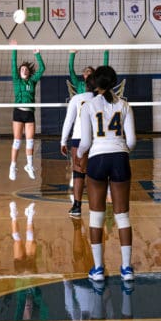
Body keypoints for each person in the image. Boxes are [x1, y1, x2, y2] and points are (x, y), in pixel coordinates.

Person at [78, 65, 137, 284]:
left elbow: (85, 142)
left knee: (96, 216)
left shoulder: (88, 106)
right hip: (120, 158)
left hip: (98, 159)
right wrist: (120, 150)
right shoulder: (124, 105)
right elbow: (131, 141)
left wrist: (81, 154)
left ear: (94, 82)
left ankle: (98, 269)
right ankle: (126, 268)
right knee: (123, 216)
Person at [61, 74, 96, 217]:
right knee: (96, 175)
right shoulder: (102, 99)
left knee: (78, 173)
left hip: (79, 138)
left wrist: (63, 141)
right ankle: (97, 206)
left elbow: (68, 121)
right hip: (97, 139)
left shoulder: (76, 99)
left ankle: (77, 206)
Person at [9, 45, 45, 181]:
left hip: (29, 113)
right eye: (22, 69)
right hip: (18, 112)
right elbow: (13, 65)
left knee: (30, 142)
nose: (24, 70)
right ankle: (13, 166)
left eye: (26, 69)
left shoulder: (33, 81)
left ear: (29, 72)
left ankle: (29, 165)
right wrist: (14, 50)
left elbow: (42, 69)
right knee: (17, 141)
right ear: (19, 72)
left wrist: (37, 55)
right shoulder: (17, 80)